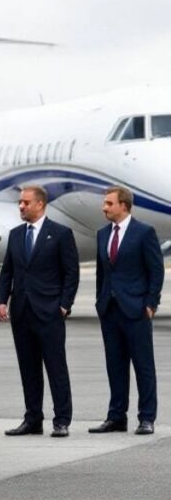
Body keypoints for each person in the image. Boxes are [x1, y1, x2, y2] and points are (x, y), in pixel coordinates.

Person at [0, 186, 80, 437]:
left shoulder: (61, 234)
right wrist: (2, 300)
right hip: (22, 312)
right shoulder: (16, 234)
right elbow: (7, 271)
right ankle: (33, 419)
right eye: (19, 202)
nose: (21, 206)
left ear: (40, 204)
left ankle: (62, 420)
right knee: (28, 369)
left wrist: (65, 304)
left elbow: (71, 273)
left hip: (50, 312)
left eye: (26, 202)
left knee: (56, 368)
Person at [89, 186, 164, 435]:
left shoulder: (144, 233)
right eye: (105, 203)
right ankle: (116, 417)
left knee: (143, 367)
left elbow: (156, 271)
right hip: (110, 311)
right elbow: (102, 273)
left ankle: (146, 418)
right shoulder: (102, 235)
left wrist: (151, 304)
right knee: (115, 366)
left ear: (124, 205)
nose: (104, 208)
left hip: (136, 310)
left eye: (109, 204)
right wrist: (100, 302)